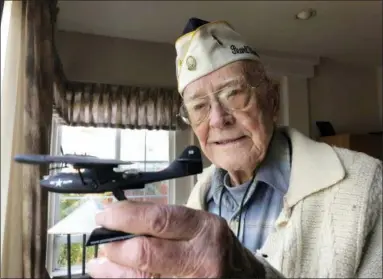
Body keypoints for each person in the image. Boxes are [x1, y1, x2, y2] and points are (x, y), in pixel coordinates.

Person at [87, 18, 382, 278]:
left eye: (234, 94)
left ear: (272, 100)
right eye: (199, 106)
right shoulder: (199, 195)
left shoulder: (365, 184)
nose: (217, 119)